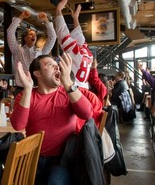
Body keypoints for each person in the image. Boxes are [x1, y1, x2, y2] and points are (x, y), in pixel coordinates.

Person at [10, 53, 93, 184]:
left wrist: (67, 82)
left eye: (57, 66)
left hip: (62, 159)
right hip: (32, 157)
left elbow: (87, 114)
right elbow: (18, 125)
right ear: (37, 73)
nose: (57, 68)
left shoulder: (68, 92)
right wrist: (27, 88)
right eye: (50, 65)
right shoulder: (26, 95)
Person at [7, 10, 56, 95]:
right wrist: (21, 17)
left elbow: (52, 37)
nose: (34, 36)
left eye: (35, 35)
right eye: (30, 34)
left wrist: (46, 21)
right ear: (25, 38)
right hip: (20, 90)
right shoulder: (17, 50)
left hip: (37, 90)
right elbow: (10, 33)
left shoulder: (41, 52)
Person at [55, 0, 93, 89]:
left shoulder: (76, 51)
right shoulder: (88, 54)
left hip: (74, 88)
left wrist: (58, 10)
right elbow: (78, 34)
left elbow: (62, 32)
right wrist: (75, 18)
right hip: (83, 87)